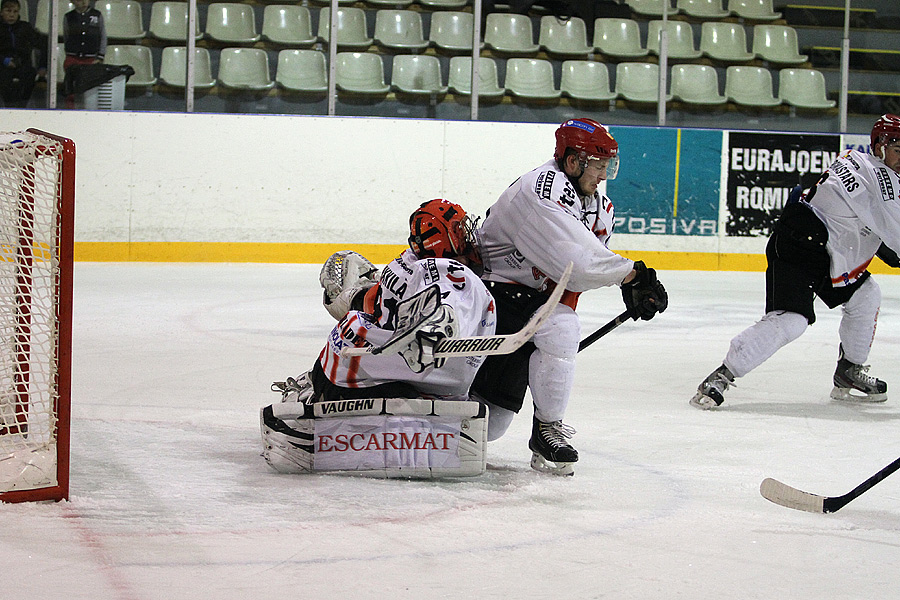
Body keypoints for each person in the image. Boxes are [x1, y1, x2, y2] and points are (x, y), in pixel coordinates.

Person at [471, 117, 668, 475]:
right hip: (489, 294)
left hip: (528, 303)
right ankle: (545, 429)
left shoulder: (597, 205)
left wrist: (626, 280)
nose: (604, 175)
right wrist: (632, 276)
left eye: (609, 165)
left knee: (491, 424)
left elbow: (573, 281)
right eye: (598, 165)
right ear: (573, 160)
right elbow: (576, 264)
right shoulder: (542, 190)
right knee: (559, 328)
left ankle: (545, 430)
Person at [691, 114, 900, 410]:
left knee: (866, 295)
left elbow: (864, 219)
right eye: (898, 149)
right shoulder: (882, 181)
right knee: (792, 320)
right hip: (799, 247)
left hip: (831, 250)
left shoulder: (859, 159)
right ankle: (721, 375)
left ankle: (849, 371)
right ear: (879, 147)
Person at [278, 198, 495, 406]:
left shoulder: (407, 260)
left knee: (351, 330)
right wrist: (432, 326)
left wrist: (351, 296)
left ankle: (316, 391)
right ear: (446, 238)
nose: (468, 235)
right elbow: (447, 293)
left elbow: (376, 297)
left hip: (360, 360)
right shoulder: (448, 270)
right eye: (460, 229)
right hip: (401, 375)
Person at [0, 0, 46, 108]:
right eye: (8, 11)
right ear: (1, 12)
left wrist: (42, 66)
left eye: (15, 11)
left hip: (23, 64)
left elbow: (43, 44)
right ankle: (9, 107)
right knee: (4, 78)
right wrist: (4, 60)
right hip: (2, 65)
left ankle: (22, 107)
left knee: (29, 74)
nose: (12, 14)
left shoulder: (25, 27)